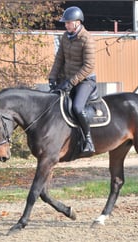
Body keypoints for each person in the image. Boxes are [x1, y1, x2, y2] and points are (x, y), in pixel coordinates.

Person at [49, 6, 96, 156]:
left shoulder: (86, 38)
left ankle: (88, 140)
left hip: (85, 81)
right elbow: (59, 59)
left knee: (76, 108)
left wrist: (71, 82)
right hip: (67, 79)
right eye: (65, 23)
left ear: (77, 22)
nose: (66, 25)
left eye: (68, 23)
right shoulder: (65, 37)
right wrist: (52, 77)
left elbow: (88, 66)